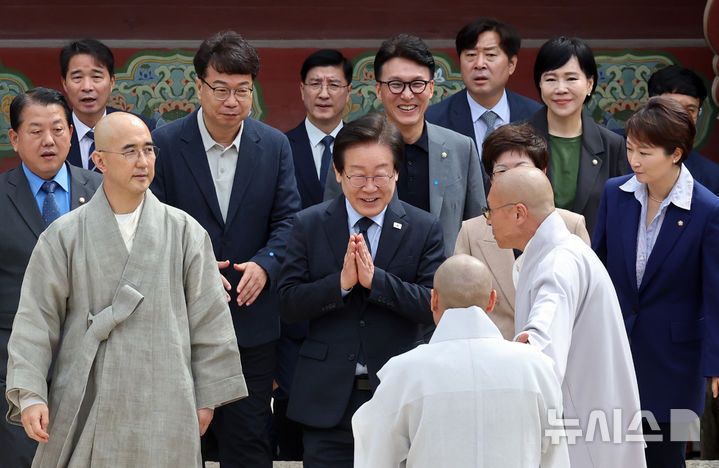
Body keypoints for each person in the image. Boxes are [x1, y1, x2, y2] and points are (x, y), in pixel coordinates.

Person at [5, 111, 247, 467]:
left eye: (149, 150)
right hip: (89, 395)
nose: (143, 161)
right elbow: (35, 320)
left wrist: (205, 399)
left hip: (167, 395)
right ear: (99, 160)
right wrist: (31, 393)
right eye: (130, 151)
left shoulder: (185, 232)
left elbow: (210, 320)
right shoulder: (64, 234)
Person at [150, 31, 301, 467]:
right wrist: (192, 269)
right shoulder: (163, 144)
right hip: (180, 320)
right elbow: (151, 224)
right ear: (198, 87)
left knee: (249, 438)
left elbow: (289, 220)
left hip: (251, 320)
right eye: (221, 89)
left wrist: (266, 265)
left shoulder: (273, 146)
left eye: (242, 90)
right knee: (177, 438)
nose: (231, 100)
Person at [278, 113, 445, 467]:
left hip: (398, 396)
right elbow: (288, 304)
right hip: (327, 402)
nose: (370, 187)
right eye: (357, 175)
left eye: (381, 174)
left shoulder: (423, 227)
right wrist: (339, 285)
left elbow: (433, 305)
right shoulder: (308, 224)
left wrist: (376, 281)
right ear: (338, 173)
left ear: (396, 172)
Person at [487, 166, 646, 467]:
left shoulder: (558, 262)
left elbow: (540, 348)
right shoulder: (561, 252)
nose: (488, 220)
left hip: (583, 435)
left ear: (519, 214)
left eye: (490, 211)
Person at [593, 97, 719, 467]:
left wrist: (715, 364)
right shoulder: (616, 195)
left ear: (676, 153)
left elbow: (715, 296)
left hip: (676, 363)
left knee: (665, 459)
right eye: (630, 149)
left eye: (645, 153)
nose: (634, 160)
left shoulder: (708, 210)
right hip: (614, 352)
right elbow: (596, 271)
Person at [351, 254, 570, 468]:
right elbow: (555, 455)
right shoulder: (536, 367)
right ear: (492, 300)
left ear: (433, 299)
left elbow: (376, 452)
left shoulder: (403, 372)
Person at [0, 88, 102, 468]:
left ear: (71, 134)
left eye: (58, 129)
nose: (49, 141)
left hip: (92, 367)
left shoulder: (104, 192)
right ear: (14, 138)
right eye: (36, 130)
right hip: (15, 370)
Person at [325, 34, 484, 256]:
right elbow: (331, 225)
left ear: (431, 88)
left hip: (444, 283)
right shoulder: (351, 150)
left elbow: (479, 229)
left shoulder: (461, 148)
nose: (407, 95)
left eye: (417, 84)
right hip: (375, 282)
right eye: (396, 84)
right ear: (379, 90)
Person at [276, 48, 353, 461]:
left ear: (349, 92)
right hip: (297, 304)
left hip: (354, 304)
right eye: (315, 84)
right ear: (302, 91)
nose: (324, 93)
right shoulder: (277, 147)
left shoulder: (366, 149)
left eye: (334, 84)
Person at [454, 123, 589, 339]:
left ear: (542, 173)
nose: (511, 178)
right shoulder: (471, 232)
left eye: (521, 168)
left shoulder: (571, 226)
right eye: (501, 171)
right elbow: (459, 309)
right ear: (490, 179)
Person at [526, 36, 627, 234]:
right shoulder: (515, 140)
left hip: (591, 259)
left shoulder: (612, 145)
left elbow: (621, 215)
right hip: (528, 258)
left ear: (589, 84)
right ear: (540, 83)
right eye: (550, 79)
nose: (561, 89)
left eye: (571, 78)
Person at [425, 17, 541, 188]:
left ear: (512, 64)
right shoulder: (433, 120)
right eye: (471, 55)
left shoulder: (536, 116)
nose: (479, 64)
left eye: (490, 55)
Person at [60, 39, 156, 172]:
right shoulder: (54, 134)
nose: (87, 87)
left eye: (96, 77)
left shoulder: (143, 129)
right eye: (77, 78)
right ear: (65, 83)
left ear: (112, 82)